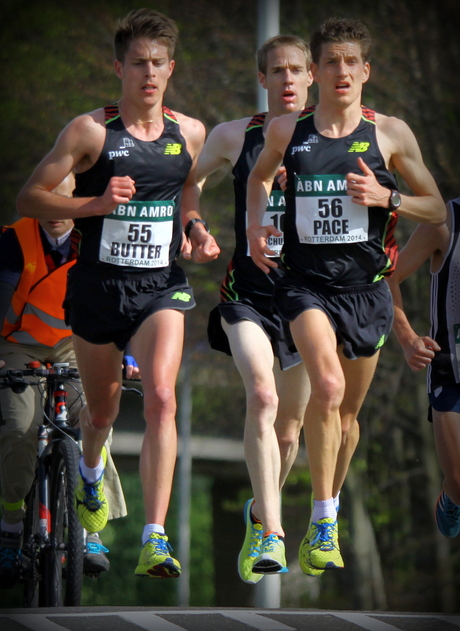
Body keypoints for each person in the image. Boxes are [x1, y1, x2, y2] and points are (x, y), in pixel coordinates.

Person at [16, 8, 219, 579]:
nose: (148, 74)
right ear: (119, 68)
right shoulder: (91, 132)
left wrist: (196, 231)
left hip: (160, 287)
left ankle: (155, 537)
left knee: (161, 396)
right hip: (98, 289)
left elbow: (190, 194)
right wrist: (96, 204)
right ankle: (86, 472)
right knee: (101, 412)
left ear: (171, 68)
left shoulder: (192, 132)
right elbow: (30, 200)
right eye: (137, 64)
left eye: (158, 63)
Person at [246, 17, 445, 576]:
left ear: (365, 71)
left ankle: (320, 517)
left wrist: (388, 196)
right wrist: (258, 226)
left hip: (367, 290)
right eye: (329, 62)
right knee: (326, 386)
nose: (340, 71)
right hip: (305, 284)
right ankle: (324, 520)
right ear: (315, 71)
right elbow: (258, 180)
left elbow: (437, 211)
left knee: (348, 416)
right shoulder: (288, 131)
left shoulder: (391, 134)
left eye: (350, 62)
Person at [197, 35, 312, 582]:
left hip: (309, 301)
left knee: (289, 432)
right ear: (261, 79)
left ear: (310, 76)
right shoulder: (232, 136)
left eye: (295, 70)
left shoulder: (337, 138)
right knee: (261, 396)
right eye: (276, 71)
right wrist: (195, 225)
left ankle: (258, 512)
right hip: (247, 296)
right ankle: (274, 531)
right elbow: (187, 185)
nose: (287, 80)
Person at [0, 176, 127, 588]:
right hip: (18, 346)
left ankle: (89, 531)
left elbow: (120, 293)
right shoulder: (13, 240)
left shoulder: (97, 236)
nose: (59, 208)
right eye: (49, 198)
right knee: (19, 428)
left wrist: (129, 352)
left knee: (96, 424)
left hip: (79, 345)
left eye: (68, 197)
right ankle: (11, 527)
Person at [387, 197, 460, 538]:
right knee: (459, 483)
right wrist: (407, 337)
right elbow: (389, 279)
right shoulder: (443, 222)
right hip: (450, 370)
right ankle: (451, 497)